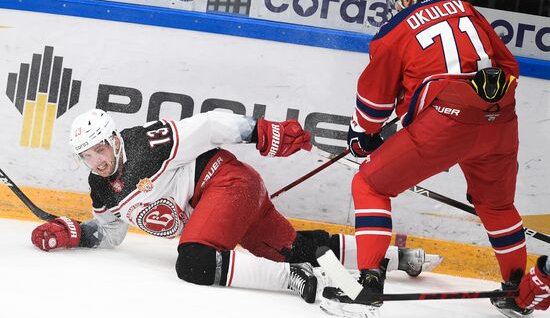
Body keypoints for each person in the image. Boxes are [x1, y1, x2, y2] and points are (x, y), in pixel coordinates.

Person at [322, 0, 550, 318]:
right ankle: (515, 290)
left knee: (369, 183)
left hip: (445, 125)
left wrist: (362, 136)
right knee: (497, 206)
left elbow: (374, 102)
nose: (397, 2)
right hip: (501, 121)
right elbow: (508, 67)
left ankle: (366, 286)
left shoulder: (394, 30)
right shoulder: (467, 10)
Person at [30, 109, 440, 303]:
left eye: (100, 148)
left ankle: (290, 278)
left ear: (115, 139)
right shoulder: (100, 186)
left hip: (227, 186)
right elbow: (113, 232)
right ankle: (400, 258)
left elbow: (208, 125)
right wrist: (77, 234)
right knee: (297, 246)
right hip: (227, 208)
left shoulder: (146, 143)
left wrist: (260, 131)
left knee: (193, 262)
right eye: (87, 155)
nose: (97, 160)